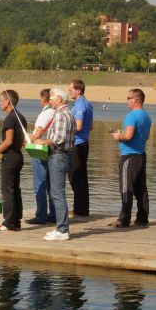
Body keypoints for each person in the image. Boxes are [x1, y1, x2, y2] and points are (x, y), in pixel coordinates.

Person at [34, 88, 75, 241]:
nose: (49, 100)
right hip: (61, 156)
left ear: (59, 99)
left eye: (51, 98)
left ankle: (63, 230)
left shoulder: (61, 114)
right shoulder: (66, 113)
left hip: (59, 156)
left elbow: (59, 138)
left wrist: (42, 141)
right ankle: (59, 227)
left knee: (57, 193)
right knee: (56, 192)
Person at [0, 89, 27, 232]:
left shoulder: (10, 118)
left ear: (8, 102)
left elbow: (8, 141)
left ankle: (8, 223)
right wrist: (0, 147)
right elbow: (20, 141)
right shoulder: (21, 117)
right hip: (18, 156)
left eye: (1, 100)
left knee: (7, 191)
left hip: (10, 158)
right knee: (15, 189)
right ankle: (16, 221)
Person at [110, 89, 152, 228]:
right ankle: (142, 218)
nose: (127, 100)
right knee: (141, 189)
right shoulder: (146, 116)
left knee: (126, 188)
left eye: (128, 98)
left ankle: (124, 219)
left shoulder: (131, 116)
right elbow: (145, 137)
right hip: (141, 155)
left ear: (135, 100)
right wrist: (123, 134)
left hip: (129, 156)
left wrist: (118, 136)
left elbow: (127, 137)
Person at [26, 88, 56, 225]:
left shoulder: (45, 114)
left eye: (40, 98)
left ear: (44, 99)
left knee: (40, 183)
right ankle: (54, 214)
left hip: (41, 151)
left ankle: (41, 215)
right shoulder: (56, 112)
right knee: (51, 184)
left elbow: (37, 134)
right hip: (53, 150)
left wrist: (26, 138)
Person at [67, 79, 93, 217]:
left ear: (78, 90)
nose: (68, 92)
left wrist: (65, 129)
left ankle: (80, 209)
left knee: (75, 176)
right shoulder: (87, 103)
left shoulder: (80, 104)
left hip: (78, 145)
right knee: (79, 176)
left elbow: (79, 126)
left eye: (70, 89)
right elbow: (91, 126)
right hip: (82, 143)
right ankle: (81, 209)